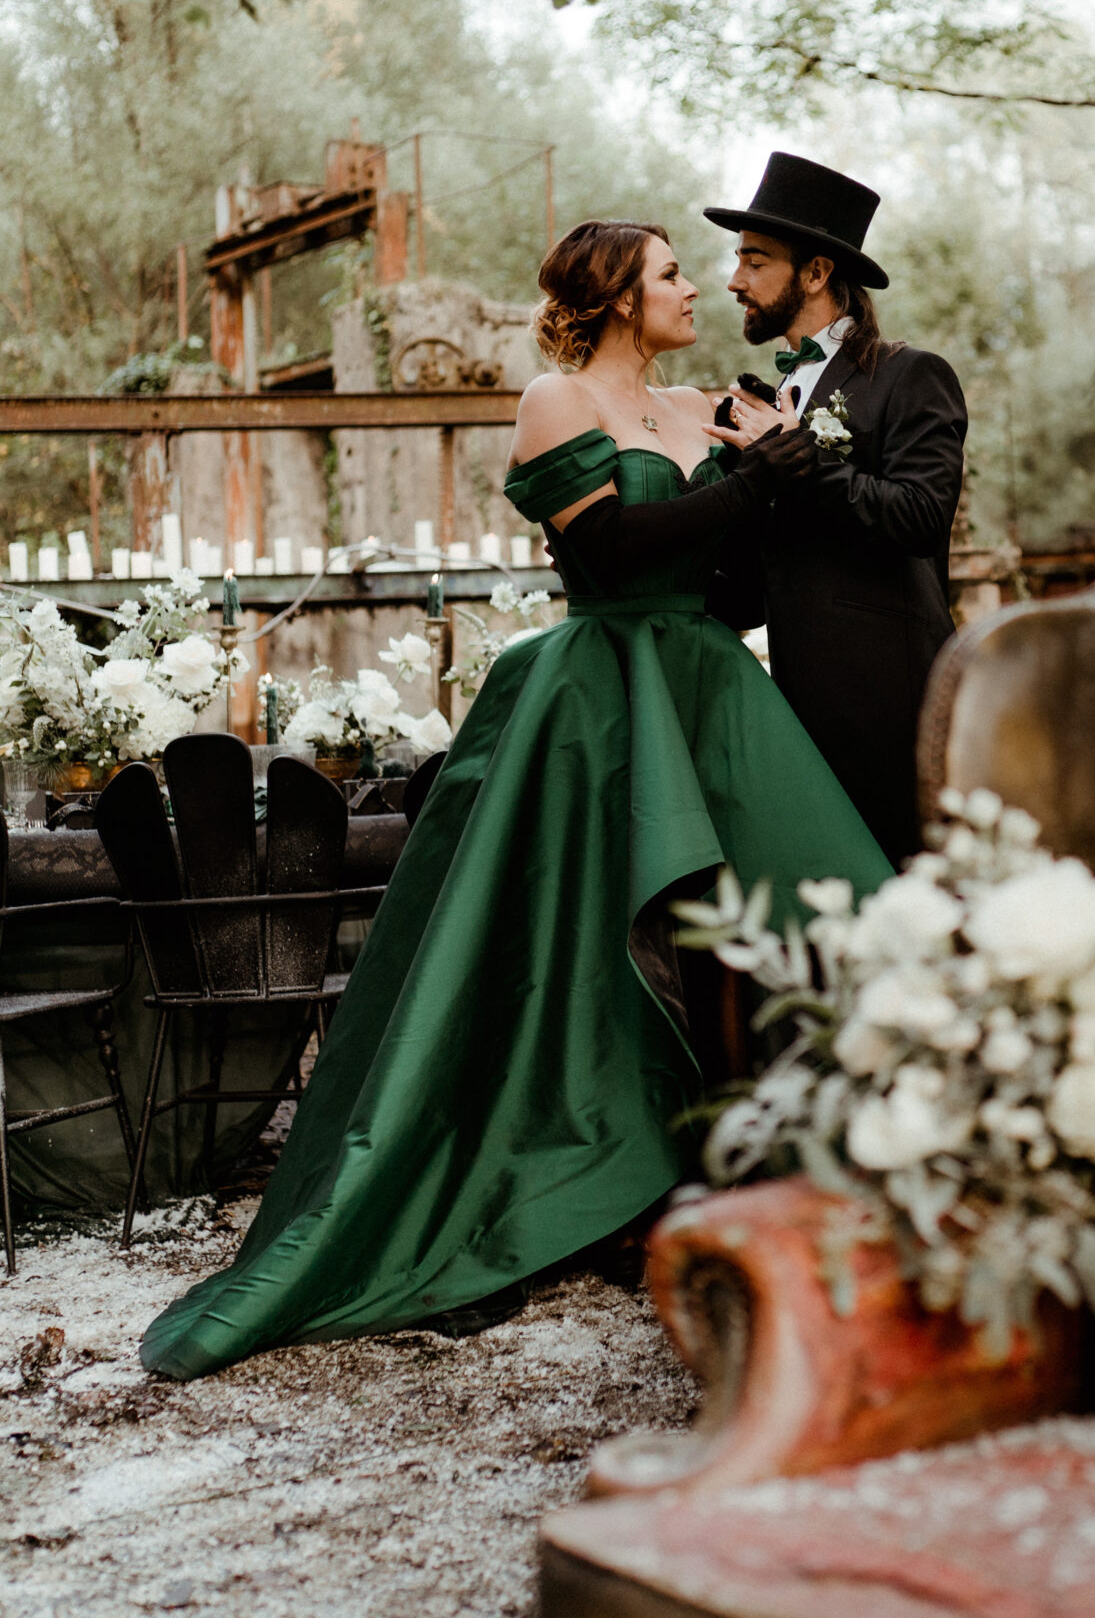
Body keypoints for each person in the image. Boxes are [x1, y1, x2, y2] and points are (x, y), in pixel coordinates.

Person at [140, 221, 891, 1379]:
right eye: (672, 274)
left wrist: (782, 476)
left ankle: (823, 1161)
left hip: (707, 684)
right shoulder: (555, 400)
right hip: (599, 694)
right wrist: (755, 484)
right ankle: (604, 1174)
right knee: (592, 944)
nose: (698, 286)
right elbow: (612, 555)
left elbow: (729, 577)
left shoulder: (706, 405)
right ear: (616, 296)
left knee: (809, 901)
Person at [705, 152, 968, 868]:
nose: (734, 282)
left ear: (816, 273)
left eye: (754, 262)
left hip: (895, 706)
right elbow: (751, 594)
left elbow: (919, 516)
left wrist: (799, 457)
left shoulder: (910, 376)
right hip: (795, 714)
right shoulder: (763, 402)